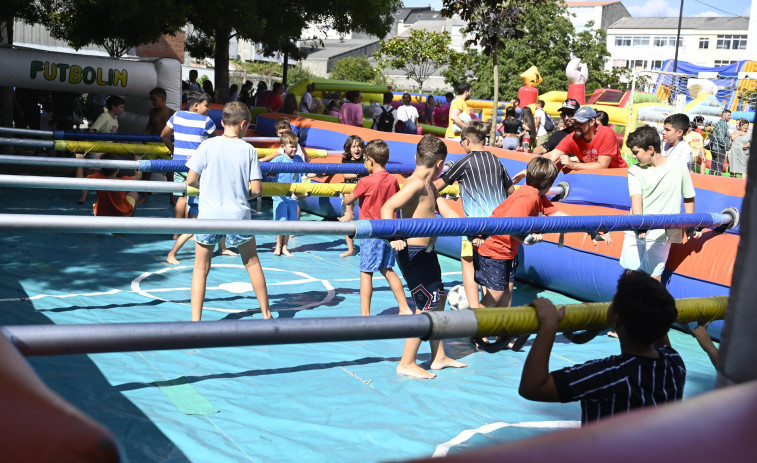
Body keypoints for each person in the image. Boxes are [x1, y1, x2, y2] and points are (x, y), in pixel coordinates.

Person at [519, 270, 686, 424]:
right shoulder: (674, 364)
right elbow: (658, 326)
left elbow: (532, 387)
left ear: (617, 319)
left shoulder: (609, 374)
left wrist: (549, 325)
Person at [381, 135, 468, 379]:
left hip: (428, 253)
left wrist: (471, 228)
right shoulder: (416, 184)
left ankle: (438, 356)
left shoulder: (430, 185)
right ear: (441, 164)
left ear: (416, 157)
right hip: (413, 254)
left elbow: (446, 211)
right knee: (426, 304)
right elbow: (388, 207)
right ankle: (406, 362)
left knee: (438, 300)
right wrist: (394, 235)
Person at [186, 101, 271, 322]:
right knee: (252, 262)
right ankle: (266, 313)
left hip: (209, 214)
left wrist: (210, 189)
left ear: (223, 122)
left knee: (200, 268)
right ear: (244, 124)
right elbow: (257, 189)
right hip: (238, 216)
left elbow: (191, 180)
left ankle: (196, 322)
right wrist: (239, 194)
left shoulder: (207, 146)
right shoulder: (249, 150)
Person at [472, 157, 566, 351]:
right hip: (495, 247)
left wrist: (593, 228)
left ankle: (503, 334)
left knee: (506, 293)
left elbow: (558, 216)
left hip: (508, 250)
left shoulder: (537, 196)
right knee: (496, 294)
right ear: (549, 185)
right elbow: (509, 225)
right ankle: (473, 329)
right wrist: (527, 239)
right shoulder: (529, 197)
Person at [434, 121, 515, 318]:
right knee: (503, 281)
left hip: (475, 228)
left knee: (468, 262)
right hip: (502, 227)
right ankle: (504, 327)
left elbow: (437, 186)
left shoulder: (465, 161)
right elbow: (511, 191)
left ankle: (474, 315)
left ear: (467, 140)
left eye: (461, 142)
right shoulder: (496, 160)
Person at [620, 125, 701, 282]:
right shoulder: (635, 170)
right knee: (631, 273)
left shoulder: (678, 167)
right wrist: (640, 224)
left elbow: (689, 196)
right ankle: (630, 305)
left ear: (650, 149)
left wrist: (690, 224)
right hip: (636, 228)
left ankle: (652, 306)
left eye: (636, 152)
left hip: (661, 233)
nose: (634, 157)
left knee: (653, 276)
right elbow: (636, 198)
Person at [339, 140, 411, 317]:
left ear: (370, 160)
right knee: (387, 269)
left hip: (371, 232)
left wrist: (344, 197)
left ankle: (365, 315)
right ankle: (405, 307)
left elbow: (349, 200)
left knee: (366, 272)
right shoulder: (393, 181)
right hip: (390, 231)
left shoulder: (366, 181)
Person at [162, 92, 226, 265]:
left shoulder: (176, 115)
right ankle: (192, 231)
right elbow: (216, 143)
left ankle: (177, 232)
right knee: (197, 200)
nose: (209, 109)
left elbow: (164, 135)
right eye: (207, 106)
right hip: (198, 167)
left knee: (181, 198)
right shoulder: (206, 122)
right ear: (196, 105)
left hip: (179, 164)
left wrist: (173, 150)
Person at [533, 106, 627, 179]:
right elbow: (552, 155)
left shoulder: (607, 133)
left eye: (580, 122)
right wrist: (530, 170)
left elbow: (602, 165)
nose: (576, 126)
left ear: (592, 122)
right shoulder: (572, 137)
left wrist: (573, 164)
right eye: (575, 122)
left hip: (618, 177)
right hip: (594, 177)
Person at [76, 95, 126, 204]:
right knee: (92, 174)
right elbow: (92, 131)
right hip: (98, 151)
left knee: (107, 174)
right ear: (113, 107)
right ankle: (83, 196)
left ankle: (105, 197)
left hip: (107, 152)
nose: (122, 110)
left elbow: (112, 135)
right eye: (121, 107)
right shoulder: (104, 117)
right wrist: (84, 147)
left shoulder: (115, 119)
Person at [270, 130, 304, 256]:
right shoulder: (278, 160)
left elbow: (306, 172)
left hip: (293, 197)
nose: (294, 149)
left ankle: (285, 246)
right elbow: (270, 171)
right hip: (280, 197)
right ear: (283, 147)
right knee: (281, 221)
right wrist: (272, 174)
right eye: (291, 146)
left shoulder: (299, 159)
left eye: (296, 146)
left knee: (290, 223)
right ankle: (278, 246)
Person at [142, 87, 176, 205]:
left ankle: (172, 198)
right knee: (147, 170)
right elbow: (149, 126)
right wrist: (143, 137)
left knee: (170, 172)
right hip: (151, 143)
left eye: (154, 100)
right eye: (152, 100)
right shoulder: (152, 112)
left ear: (163, 99)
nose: (152, 102)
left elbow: (177, 130)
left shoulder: (173, 113)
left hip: (165, 144)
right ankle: (144, 196)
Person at [338, 135, 367, 257]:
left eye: (360, 146)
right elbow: (346, 175)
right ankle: (351, 249)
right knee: (347, 220)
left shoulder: (365, 161)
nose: (357, 149)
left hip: (363, 193)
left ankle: (367, 245)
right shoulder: (346, 161)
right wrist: (358, 172)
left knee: (366, 219)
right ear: (349, 149)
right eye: (354, 146)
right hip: (350, 194)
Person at [87, 153, 139, 217]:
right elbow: (138, 176)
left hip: (101, 213)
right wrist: (137, 160)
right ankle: (130, 219)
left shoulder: (97, 177)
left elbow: (82, 179)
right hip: (122, 214)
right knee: (134, 194)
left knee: (99, 201)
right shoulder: (124, 180)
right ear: (117, 170)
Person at [708, 109, 732, 175]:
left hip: (714, 147)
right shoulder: (723, 124)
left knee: (713, 166)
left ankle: (709, 180)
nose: (730, 117)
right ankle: (717, 182)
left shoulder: (719, 122)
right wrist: (727, 147)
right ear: (723, 116)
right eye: (728, 115)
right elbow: (720, 139)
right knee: (719, 167)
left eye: (730, 115)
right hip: (720, 148)